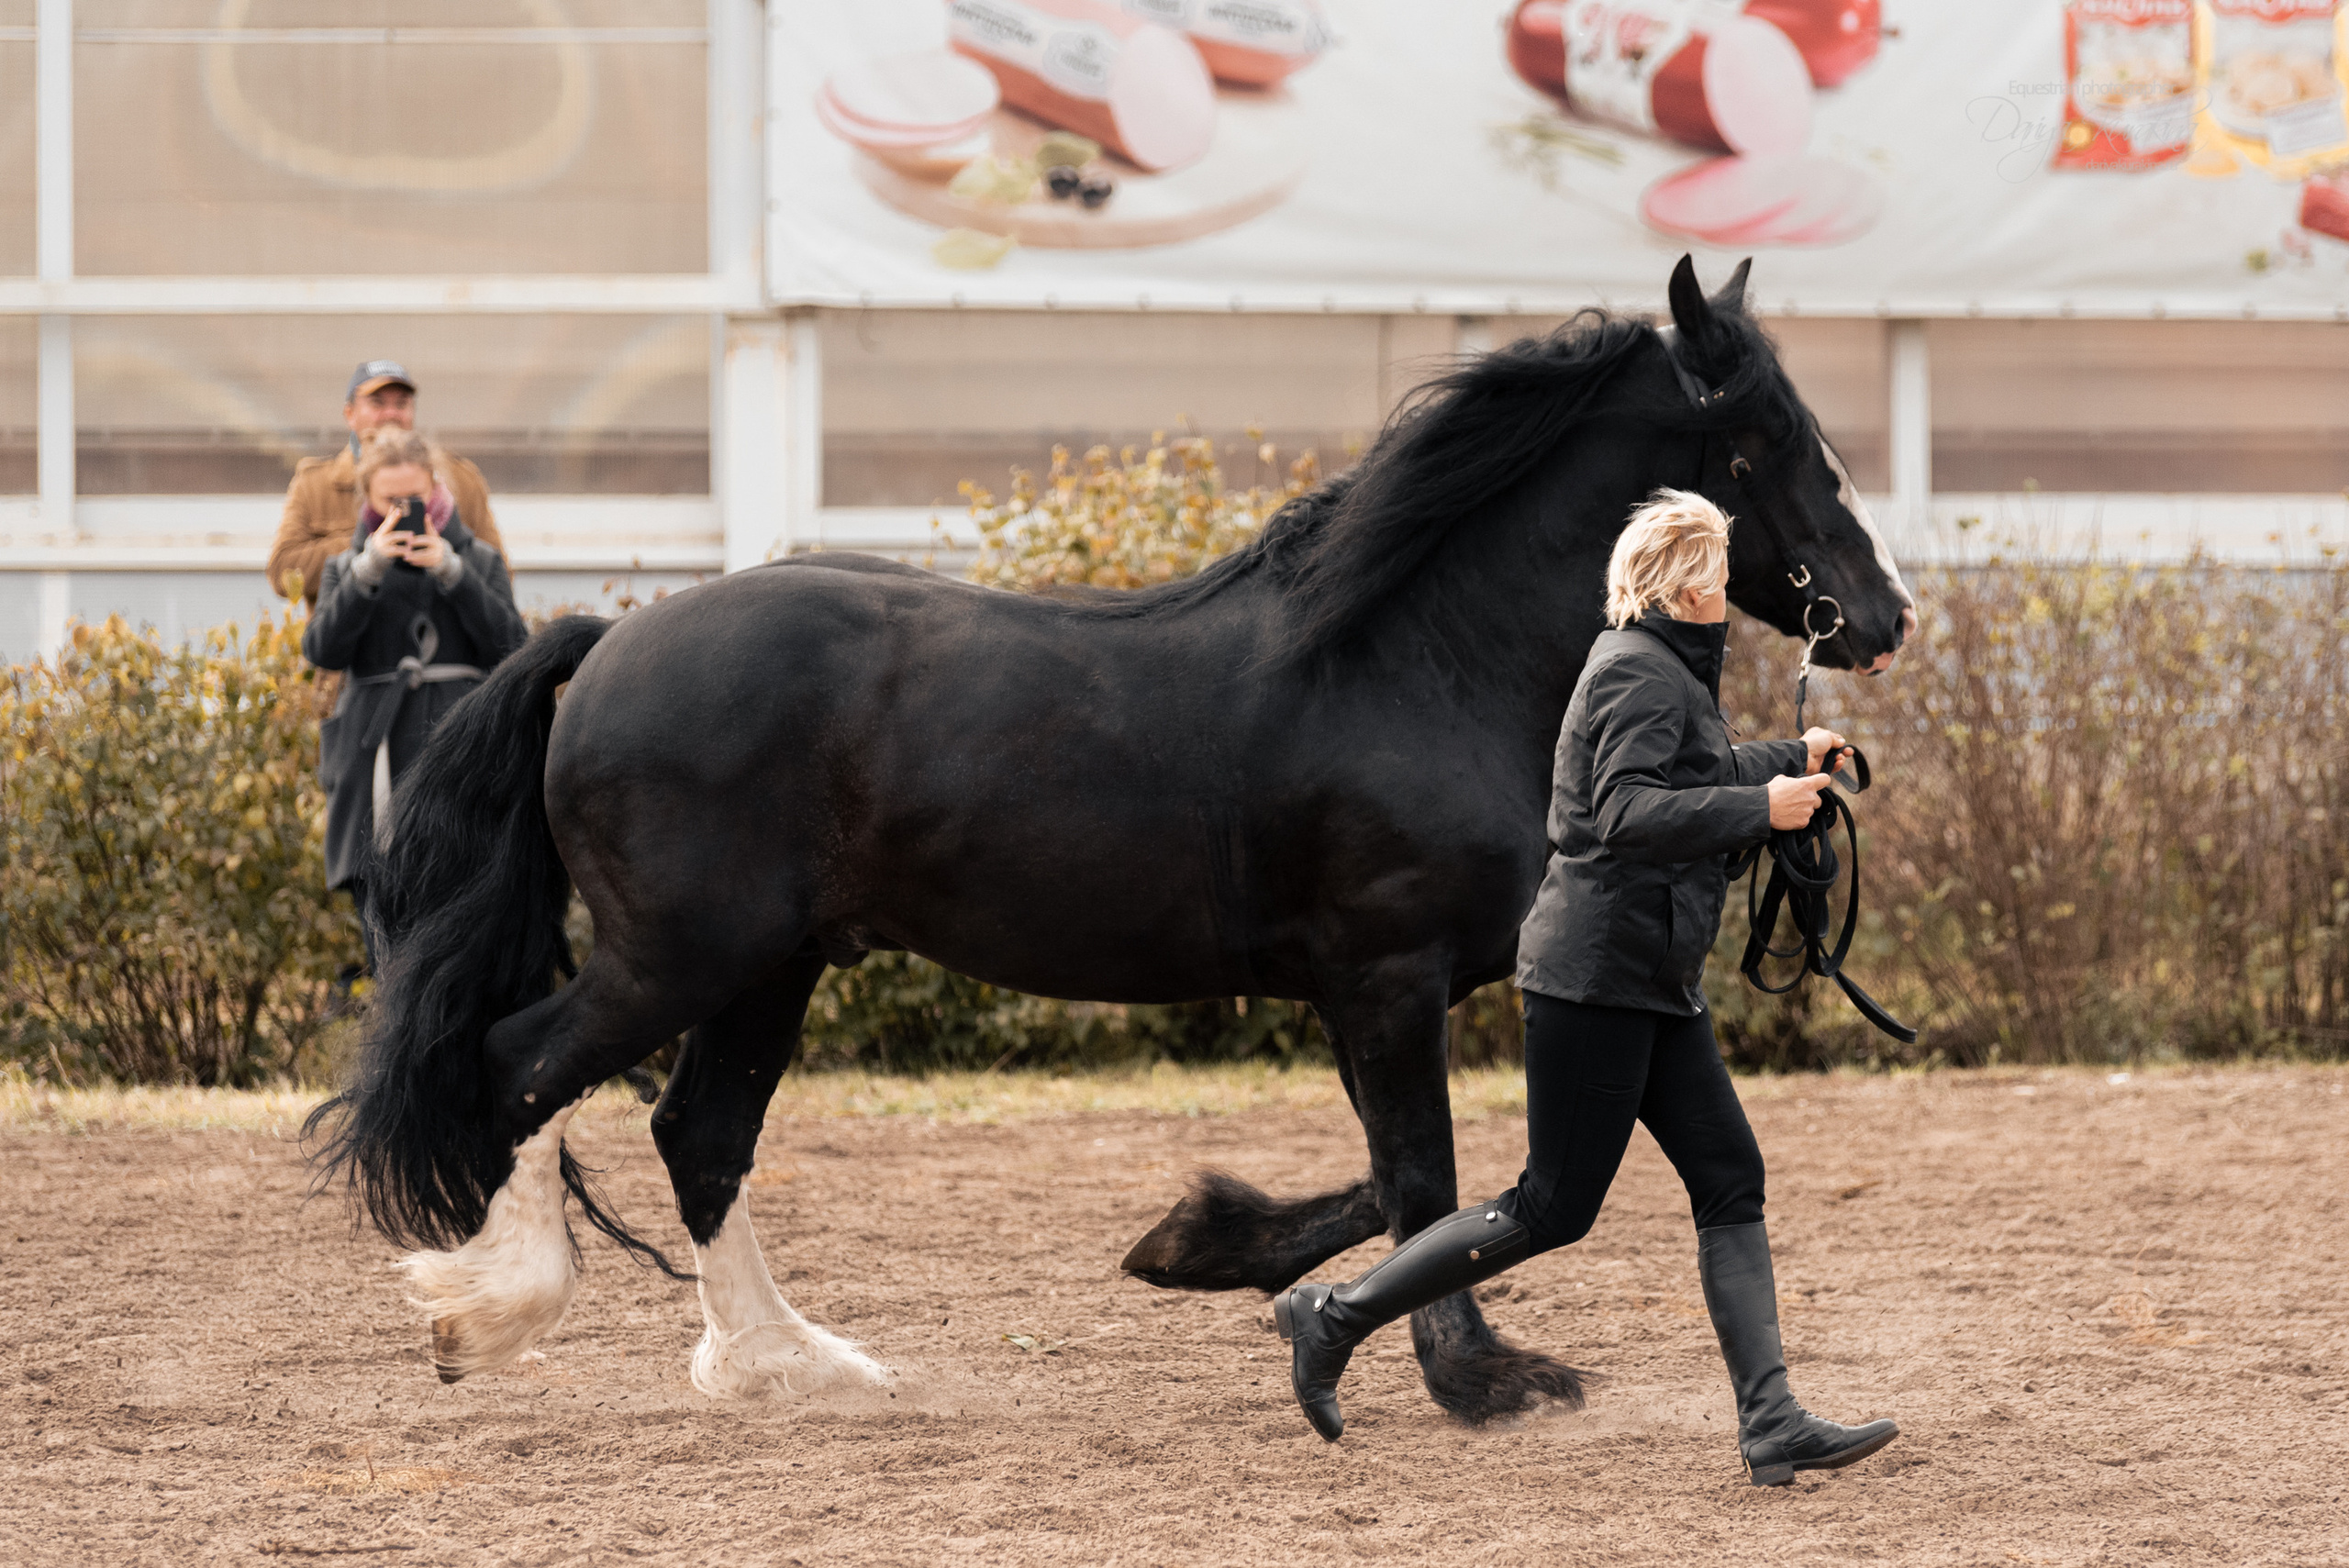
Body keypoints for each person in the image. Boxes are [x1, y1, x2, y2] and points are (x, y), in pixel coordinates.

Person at [1267, 489, 1899, 1485]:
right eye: (1723, 575)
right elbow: (1627, 811)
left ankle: (1770, 1419)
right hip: (1598, 980)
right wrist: (1759, 806)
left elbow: (1686, 770)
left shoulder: (1659, 670)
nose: (1730, 593)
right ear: (1688, 583)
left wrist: (1788, 763)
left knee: (1729, 1176)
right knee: (1549, 1205)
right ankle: (1332, 1315)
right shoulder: (1641, 673)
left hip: (1648, 977)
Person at [303, 428, 528, 963]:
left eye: (416, 499)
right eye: (390, 501)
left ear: (435, 489)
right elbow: (323, 650)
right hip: (373, 764)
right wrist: (367, 573)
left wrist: (455, 572)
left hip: (462, 759)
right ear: (366, 500)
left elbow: (513, 647)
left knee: (468, 926)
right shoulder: (344, 568)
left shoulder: (479, 559)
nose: (404, 511)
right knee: (384, 929)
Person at [268, 361, 506, 709]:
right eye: (377, 404)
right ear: (350, 414)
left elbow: (499, 580)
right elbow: (283, 570)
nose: (390, 414)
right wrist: (370, 546)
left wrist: (449, 562)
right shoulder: (315, 483)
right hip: (353, 685)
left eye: (401, 404)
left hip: (450, 691)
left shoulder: (461, 480)